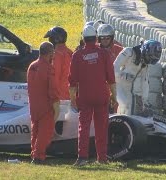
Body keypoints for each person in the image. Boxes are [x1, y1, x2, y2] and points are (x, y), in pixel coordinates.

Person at [69, 25, 117, 166]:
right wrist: (114, 97)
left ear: (83, 38)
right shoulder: (104, 54)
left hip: (84, 96)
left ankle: (82, 158)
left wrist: (73, 100)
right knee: (101, 127)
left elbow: (72, 82)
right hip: (102, 96)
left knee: (83, 127)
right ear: (96, 38)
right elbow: (111, 79)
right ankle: (102, 158)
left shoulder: (77, 55)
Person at [27, 42, 60, 165]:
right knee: (45, 133)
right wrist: (56, 103)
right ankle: (38, 157)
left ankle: (34, 154)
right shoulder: (48, 68)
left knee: (35, 131)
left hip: (34, 104)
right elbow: (52, 89)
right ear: (50, 53)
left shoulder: (32, 66)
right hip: (46, 105)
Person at [114, 39, 162, 116]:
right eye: (149, 57)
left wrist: (145, 100)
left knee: (130, 110)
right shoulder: (129, 52)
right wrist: (122, 75)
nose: (148, 61)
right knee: (124, 103)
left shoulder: (145, 64)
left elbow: (145, 82)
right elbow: (115, 66)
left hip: (130, 89)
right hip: (117, 85)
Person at [44, 26, 73, 100]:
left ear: (54, 40)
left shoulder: (56, 55)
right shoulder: (70, 52)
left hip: (60, 97)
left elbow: (55, 77)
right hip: (71, 94)